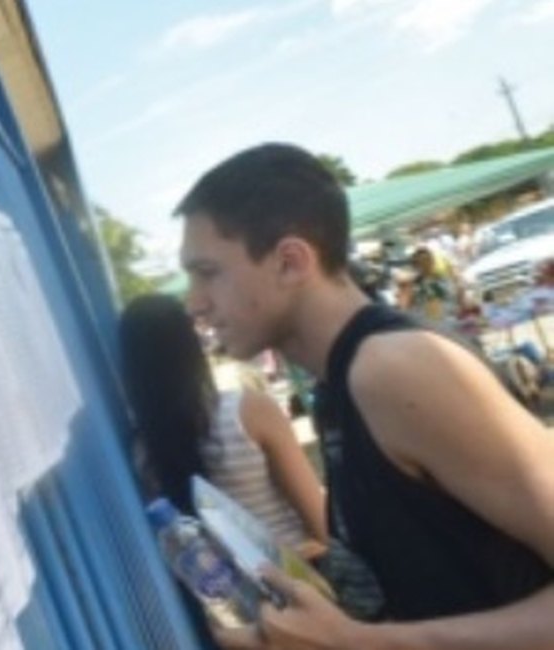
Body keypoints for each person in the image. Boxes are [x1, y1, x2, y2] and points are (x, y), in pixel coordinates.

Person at [175, 143, 554, 649]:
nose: (194, 302)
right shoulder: (340, 384)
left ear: (290, 262)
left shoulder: (394, 368)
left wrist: (357, 643)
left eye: (208, 273)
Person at [119, 294, 327, 556]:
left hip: (233, 592)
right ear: (191, 344)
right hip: (306, 578)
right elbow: (320, 520)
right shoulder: (249, 411)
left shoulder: (143, 451)